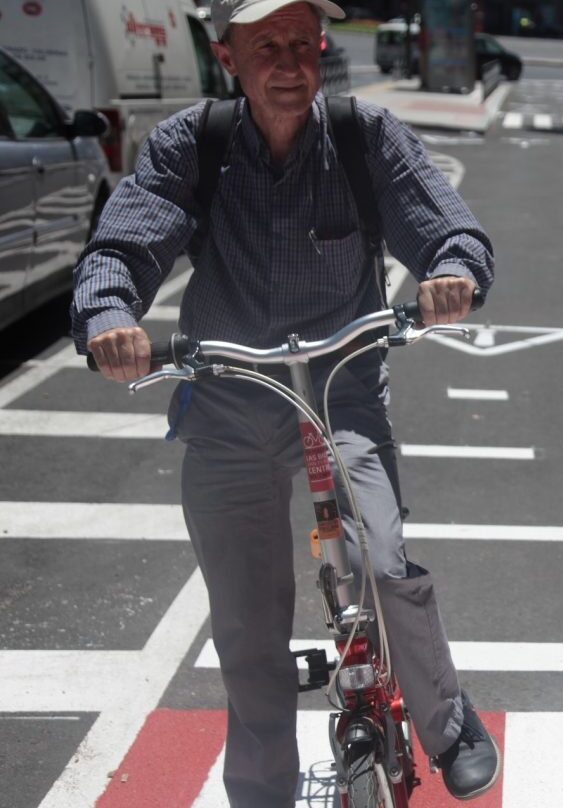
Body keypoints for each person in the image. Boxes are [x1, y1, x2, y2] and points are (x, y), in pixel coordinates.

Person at [71, 1, 500, 805]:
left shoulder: (364, 136)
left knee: (380, 558)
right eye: (266, 45)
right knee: (246, 620)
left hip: (342, 394)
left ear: (323, 48)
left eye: (303, 42)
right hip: (232, 405)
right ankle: (261, 790)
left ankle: (446, 720)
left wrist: (453, 273)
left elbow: (448, 228)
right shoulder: (191, 146)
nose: (289, 62)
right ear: (228, 57)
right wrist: (111, 317)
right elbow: (123, 247)